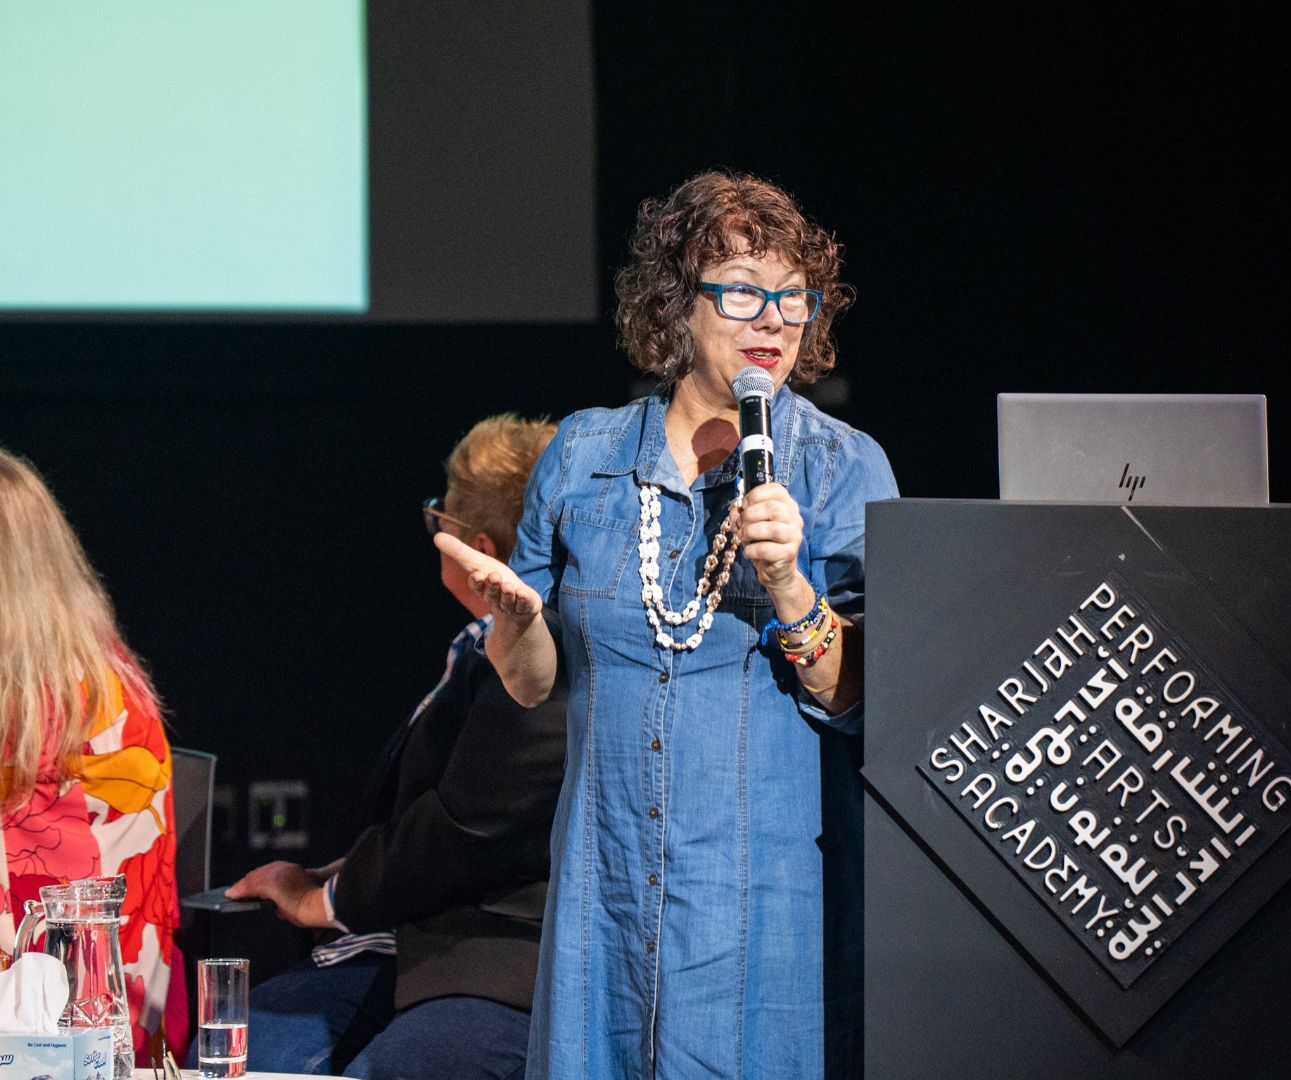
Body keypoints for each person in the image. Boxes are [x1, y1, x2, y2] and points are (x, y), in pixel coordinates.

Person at [437, 172, 900, 1080]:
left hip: (763, 916)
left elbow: (870, 702)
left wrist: (793, 592)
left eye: (793, 298)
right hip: (604, 908)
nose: (772, 319)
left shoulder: (843, 467)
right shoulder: (585, 453)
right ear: (676, 307)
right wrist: (518, 618)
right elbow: (533, 682)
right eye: (741, 292)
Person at [228, 414, 567, 1079]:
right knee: (249, 1045)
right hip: (411, 938)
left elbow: (464, 831)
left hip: (493, 958)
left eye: (436, 517)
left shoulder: (544, 656)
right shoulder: (474, 646)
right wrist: (340, 874)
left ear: (478, 547)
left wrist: (324, 899)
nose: (432, 529)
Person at [0, 449, 182, 1066]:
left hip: (72, 1036)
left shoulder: (40, 709)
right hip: (139, 1016)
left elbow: (28, 925)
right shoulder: (113, 679)